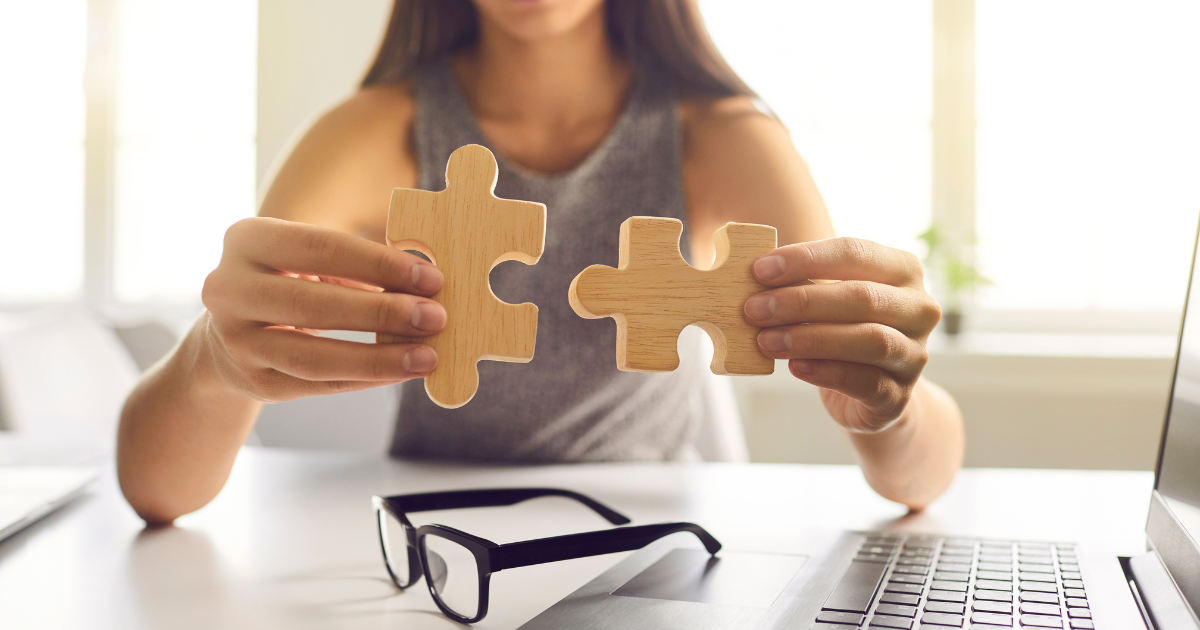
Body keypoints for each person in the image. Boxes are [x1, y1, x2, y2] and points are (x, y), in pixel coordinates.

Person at [117, 0, 964, 525]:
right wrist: (211, 362)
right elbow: (158, 493)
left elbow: (916, 483)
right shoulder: (374, 131)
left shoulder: (721, 134)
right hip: (434, 541)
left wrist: (887, 407)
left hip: (653, 539)